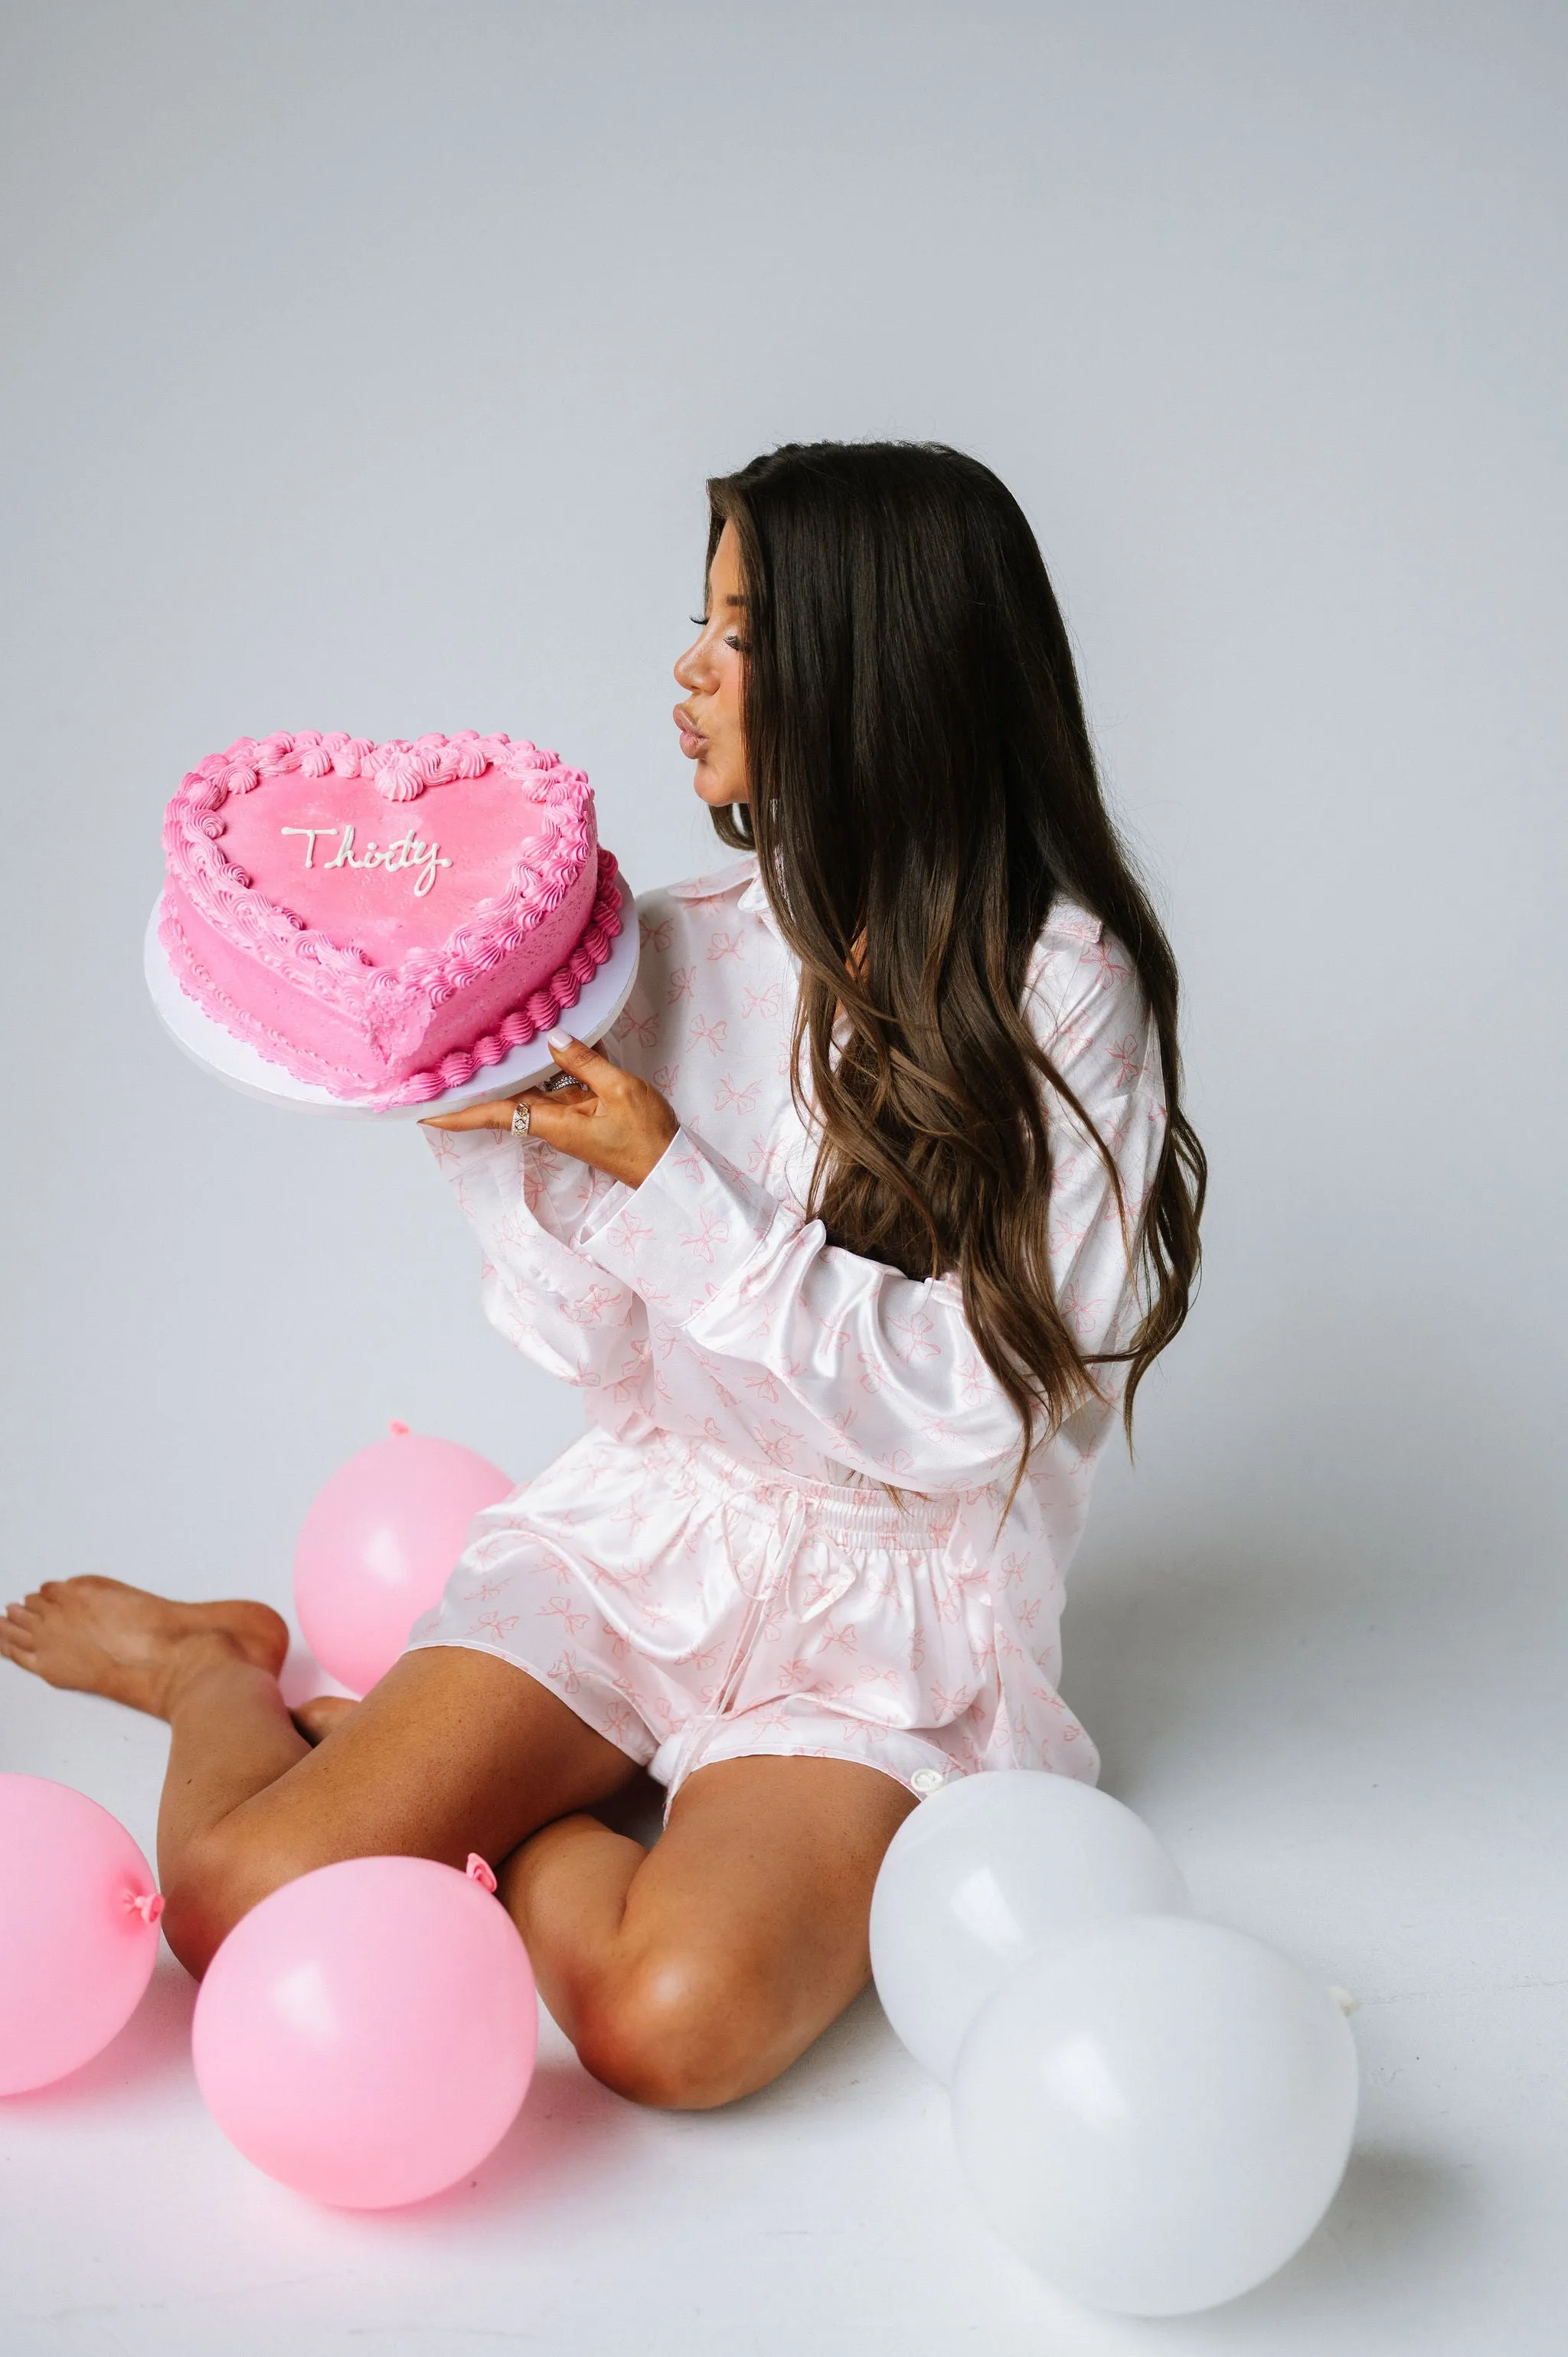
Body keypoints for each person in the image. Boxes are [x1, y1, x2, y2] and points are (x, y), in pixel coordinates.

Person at [0, 442, 1204, 2110]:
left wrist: (668, 1180)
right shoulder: (666, 948)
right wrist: (483, 1138)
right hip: (659, 1532)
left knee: (670, 2028)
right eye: (693, 620)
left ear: (881, 669)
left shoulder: (1063, 992)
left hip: (881, 1619)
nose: (685, 669)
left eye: (738, 633)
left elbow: (969, 1415)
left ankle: (540, 1801)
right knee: (237, 1905)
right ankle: (216, 1664)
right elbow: (596, 1350)